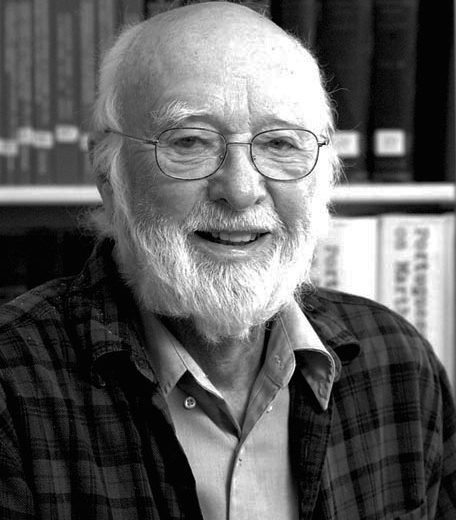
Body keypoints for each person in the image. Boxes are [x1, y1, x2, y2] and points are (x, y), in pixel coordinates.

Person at [0, 2, 455, 519]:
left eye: (281, 143)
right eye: (191, 141)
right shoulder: (12, 385)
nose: (240, 190)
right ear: (109, 174)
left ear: (325, 174)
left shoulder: (398, 363)